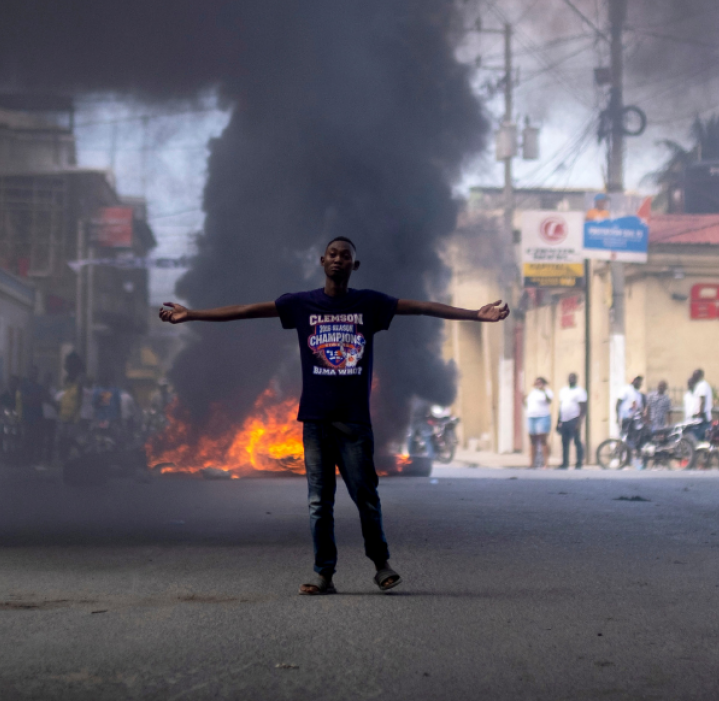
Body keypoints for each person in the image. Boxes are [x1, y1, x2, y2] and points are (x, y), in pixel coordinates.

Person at [158, 235, 510, 596]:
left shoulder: (369, 303)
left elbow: (421, 307)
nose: (338, 260)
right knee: (318, 502)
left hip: (354, 421)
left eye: (346, 256)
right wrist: (192, 314)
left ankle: (381, 564)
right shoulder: (302, 304)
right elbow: (247, 311)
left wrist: (474, 315)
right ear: (321, 261)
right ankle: (323, 574)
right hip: (315, 421)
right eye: (333, 254)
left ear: (354, 266)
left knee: (366, 497)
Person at [556, 372, 587, 470]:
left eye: (573, 378)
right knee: (564, 442)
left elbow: (583, 407)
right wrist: (558, 421)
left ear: (576, 379)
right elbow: (561, 406)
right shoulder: (563, 391)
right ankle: (565, 463)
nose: (571, 379)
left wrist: (579, 422)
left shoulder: (580, 391)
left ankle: (579, 463)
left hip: (574, 419)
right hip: (564, 419)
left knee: (577, 441)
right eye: (570, 378)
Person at [524, 377, 554, 469]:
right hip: (531, 417)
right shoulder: (532, 392)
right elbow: (527, 405)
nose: (538, 384)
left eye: (540, 382)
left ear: (544, 383)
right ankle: (531, 463)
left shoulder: (547, 392)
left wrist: (543, 391)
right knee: (532, 440)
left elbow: (549, 401)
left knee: (543, 440)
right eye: (536, 382)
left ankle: (546, 463)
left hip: (543, 416)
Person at [683, 369, 713, 442]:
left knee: (695, 440)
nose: (693, 376)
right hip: (700, 418)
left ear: (700, 376)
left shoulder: (702, 385)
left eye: (695, 375)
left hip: (702, 419)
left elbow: (702, 400)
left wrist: (699, 414)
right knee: (700, 441)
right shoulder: (700, 385)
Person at [617, 376, 644, 444]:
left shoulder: (638, 394)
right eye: (637, 380)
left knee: (633, 438)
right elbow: (618, 403)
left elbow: (639, 408)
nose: (639, 383)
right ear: (633, 381)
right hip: (625, 418)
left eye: (640, 381)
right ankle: (619, 451)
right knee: (623, 437)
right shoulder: (626, 390)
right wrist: (617, 416)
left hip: (634, 420)